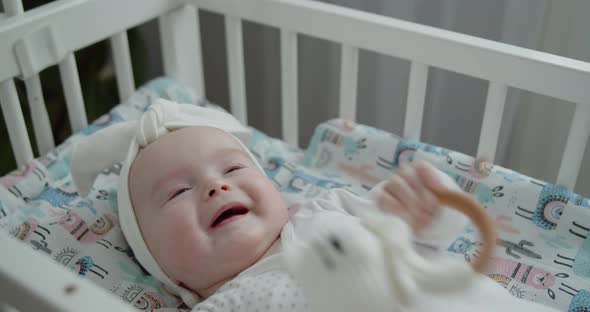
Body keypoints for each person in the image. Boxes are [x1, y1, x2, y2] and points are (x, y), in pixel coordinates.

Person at [69, 99, 481, 311]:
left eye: (231, 168)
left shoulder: (330, 211)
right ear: (155, 263)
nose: (215, 186)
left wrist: (430, 204)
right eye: (177, 192)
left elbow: (433, 230)